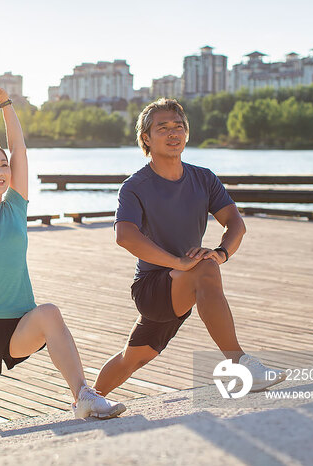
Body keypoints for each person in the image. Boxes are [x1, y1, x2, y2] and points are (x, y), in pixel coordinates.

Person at [0, 79, 125, 434]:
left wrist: (7, 105)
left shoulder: (16, 206)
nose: (0, 171)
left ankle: (83, 396)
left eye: (2, 165)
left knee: (50, 314)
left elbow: (20, 150)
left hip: (19, 322)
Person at [93, 98, 286, 397]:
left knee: (133, 357)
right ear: (146, 138)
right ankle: (241, 366)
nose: (173, 134)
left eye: (179, 127)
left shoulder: (203, 178)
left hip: (185, 283)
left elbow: (235, 223)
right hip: (152, 288)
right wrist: (177, 262)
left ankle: (89, 399)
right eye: (163, 128)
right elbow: (125, 235)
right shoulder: (135, 186)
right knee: (203, 267)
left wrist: (221, 253)